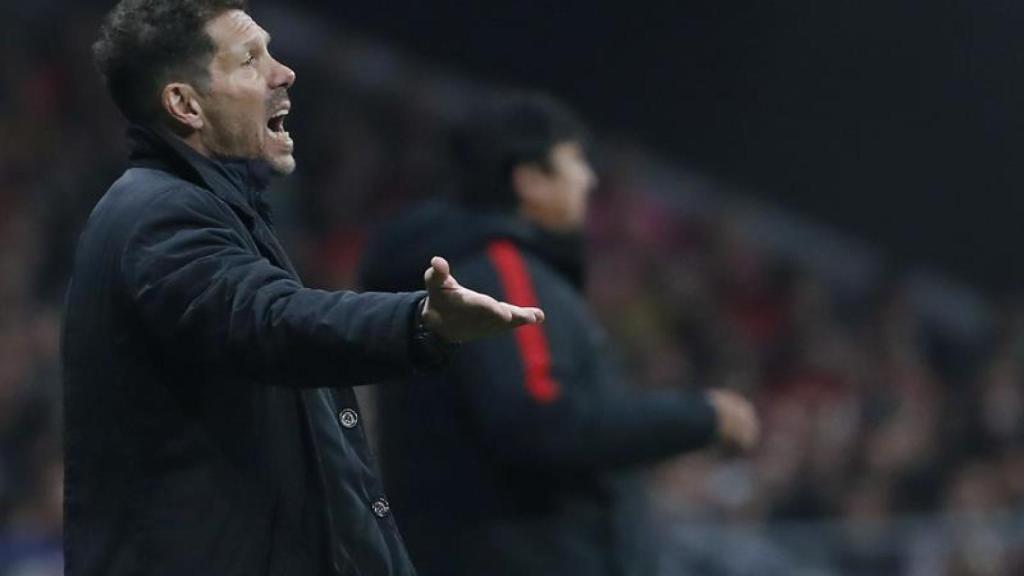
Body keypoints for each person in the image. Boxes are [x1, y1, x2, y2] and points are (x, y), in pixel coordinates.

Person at [63, 2, 545, 575]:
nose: (283, 72)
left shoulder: (215, 212)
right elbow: (271, 321)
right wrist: (420, 323)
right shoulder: (158, 214)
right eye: (249, 60)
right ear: (185, 105)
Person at [359, 93, 760, 576]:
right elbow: (543, 424)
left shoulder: (475, 266)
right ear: (530, 180)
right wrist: (702, 416)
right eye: (574, 162)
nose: (588, 180)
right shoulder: (502, 270)